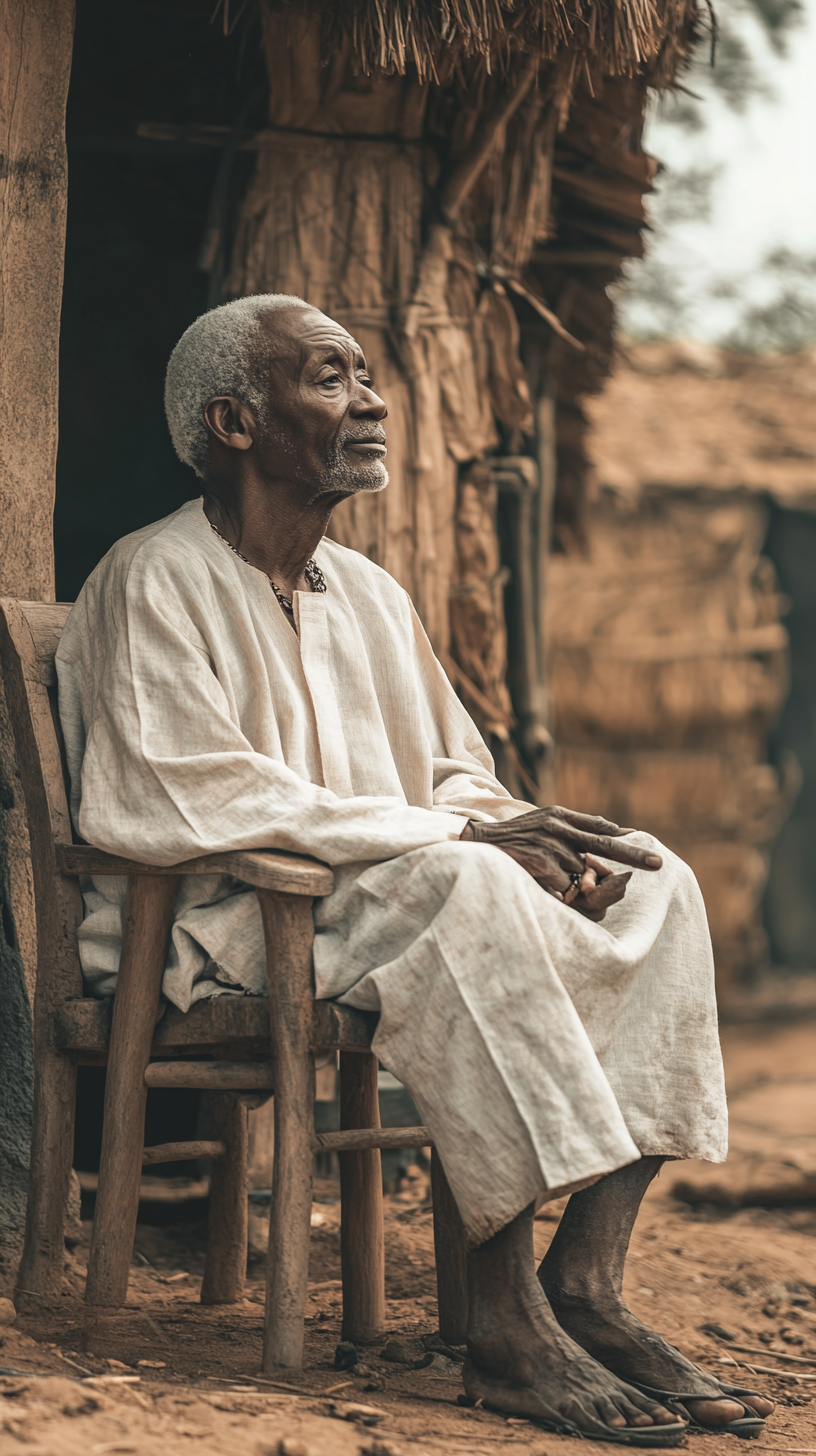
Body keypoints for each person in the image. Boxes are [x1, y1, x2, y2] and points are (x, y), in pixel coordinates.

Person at [56, 295, 773, 1442]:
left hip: (377, 895)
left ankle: (585, 1277)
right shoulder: (153, 577)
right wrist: (459, 842)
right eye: (332, 377)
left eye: (366, 375)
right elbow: (181, 791)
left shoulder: (371, 594)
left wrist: (530, 836)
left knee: (653, 875)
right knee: (467, 887)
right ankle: (505, 1321)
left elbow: (448, 774)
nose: (373, 398)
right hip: (226, 914)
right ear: (236, 421)